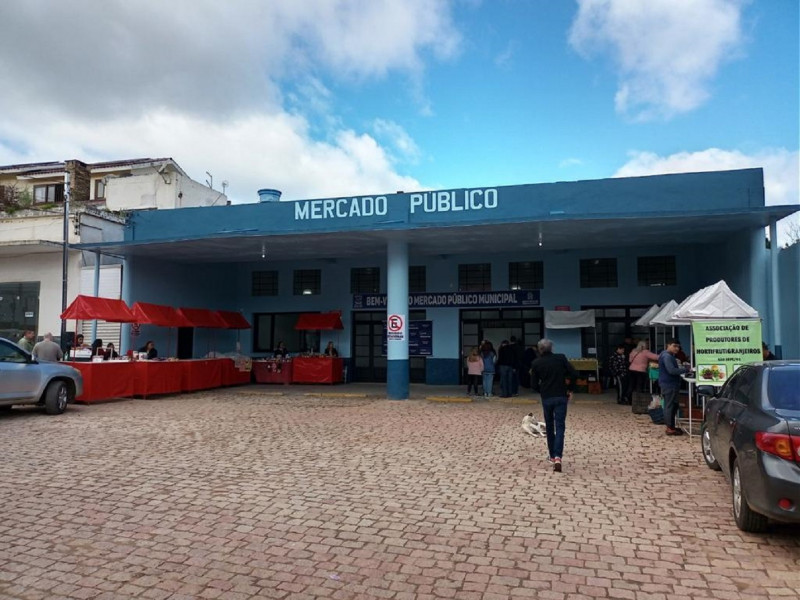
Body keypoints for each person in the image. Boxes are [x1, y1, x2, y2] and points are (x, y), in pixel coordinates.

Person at [530, 338, 578, 472]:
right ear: (552, 348)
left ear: (540, 349)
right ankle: (558, 456)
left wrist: (542, 390)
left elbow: (533, 384)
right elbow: (574, 373)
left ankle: (552, 455)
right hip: (561, 395)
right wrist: (570, 389)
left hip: (547, 397)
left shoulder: (536, 363)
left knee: (549, 426)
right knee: (560, 426)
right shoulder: (560, 358)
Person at [658, 339, 689, 436]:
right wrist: (685, 370)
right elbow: (671, 370)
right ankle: (670, 428)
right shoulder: (667, 356)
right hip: (669, 384)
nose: (677, 348)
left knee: (673, 405)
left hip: (670, 384)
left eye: (678, 346)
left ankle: (671, 426)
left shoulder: (668, 355)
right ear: (668, 345)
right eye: (674, 346)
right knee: (670, 406)